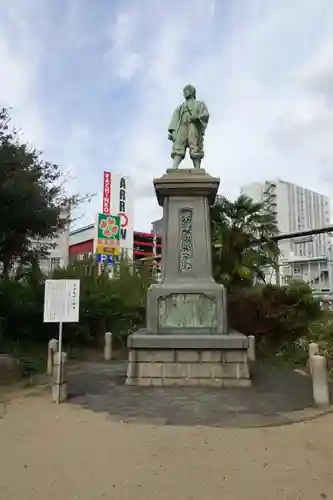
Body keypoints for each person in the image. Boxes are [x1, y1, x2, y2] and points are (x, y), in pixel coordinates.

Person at [168, 84, 209, 169]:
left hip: (193, 125)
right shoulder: (180, 107)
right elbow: (175, 119)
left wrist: (197, 118)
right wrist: (174, 132)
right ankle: (174, 166)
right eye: (184, 91)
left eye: (187, 90)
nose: (185, 92)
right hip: (182, 126)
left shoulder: (199, 104)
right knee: (178, 145)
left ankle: (197, 167)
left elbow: (205, 115)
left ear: (192, 92)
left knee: (195, 145)